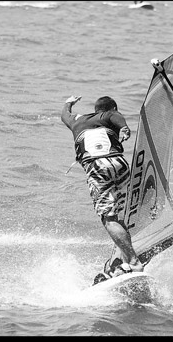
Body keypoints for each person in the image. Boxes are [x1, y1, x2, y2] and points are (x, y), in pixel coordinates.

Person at [60, 95, 143, 282]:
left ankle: (133, 261)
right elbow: (116, 116)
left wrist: (69, 102)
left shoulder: (77, 120)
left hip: (97, 166)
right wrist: (123, 128)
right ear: (111, 107)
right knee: (121, 214)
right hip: (119, 163)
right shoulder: (108, 115)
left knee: (109, 217)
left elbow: (65, 115)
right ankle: (122, 260)